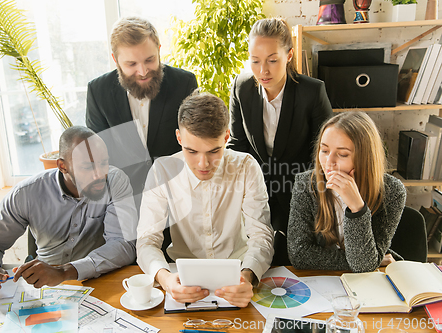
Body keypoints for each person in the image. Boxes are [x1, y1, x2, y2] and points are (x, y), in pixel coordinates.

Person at [136, 91, 274, 308]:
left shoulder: (246, 167)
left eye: (213, 151)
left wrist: (247, 277)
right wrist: (165, 279)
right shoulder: (162, 171)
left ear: (227, 137)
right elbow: (146, 240)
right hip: (180, 279)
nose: (203, 164)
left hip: (237, 274)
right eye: (191, 151)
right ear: (179, 138)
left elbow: (261, 235)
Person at [0, 126, 137, 296]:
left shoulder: (115, 182)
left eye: (104, 163)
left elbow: (124, 244)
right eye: (88, 167)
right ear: (62, 166)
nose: (99, 175)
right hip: (43, 288)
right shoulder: (27, 193)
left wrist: (64, 272)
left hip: (96, 281)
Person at [228, 18, 333, 266]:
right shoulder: (241, 88)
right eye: (255, 61)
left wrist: (304, 196)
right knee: (251, 259)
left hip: (302, 189)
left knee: (293, 262)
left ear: (289, 55)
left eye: (272, 60)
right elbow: (237, 145)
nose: (263, 70)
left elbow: (325, 152)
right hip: (256, 190)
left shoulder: (312, 91)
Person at [287, 112, 406, 272]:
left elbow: (363, 265)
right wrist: (372, 260)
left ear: (365, 157)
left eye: (342, 154)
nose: (329, 163)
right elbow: (299, 255)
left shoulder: (392, 191)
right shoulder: (306, 184)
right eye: (324, 151)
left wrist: (356, 207)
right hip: (322, 282)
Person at [85, 16, 198, 160]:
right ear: (115, 60)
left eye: (149, 60)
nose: (143, 72)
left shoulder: (184, 83)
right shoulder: (98, 92)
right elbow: (98, 155)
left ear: (158, 50)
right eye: (131, 64)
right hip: (122, 182)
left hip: (176, 179)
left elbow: (195, 144)